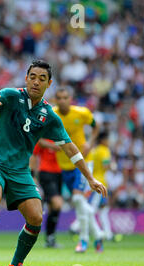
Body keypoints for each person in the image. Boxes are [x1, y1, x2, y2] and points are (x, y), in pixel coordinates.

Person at [0, 60, 107, 266]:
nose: (36, 81)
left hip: (20, 171)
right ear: (26, 78)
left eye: (42, 79)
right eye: (32, 76)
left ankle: (15, 265)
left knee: (35, 217)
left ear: (49, 83)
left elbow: (70, 147)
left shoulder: (49, 115)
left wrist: (89, 178)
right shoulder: (12, 96)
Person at [53, 87, 105, 253]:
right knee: (81, 203)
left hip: (83, 163)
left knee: (77, 200)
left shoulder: (82, 113)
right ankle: (98, 234)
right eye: (59, 98)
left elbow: (96, 126)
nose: (62, 101)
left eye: (65, 97)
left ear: (70, 99)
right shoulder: (52, 114)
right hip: (64, 166)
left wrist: (90, 142)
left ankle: (83, 240)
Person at [32, 138, 64, 248]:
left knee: (53, 207)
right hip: (45, 172)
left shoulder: (60, 133)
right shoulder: (42, 136)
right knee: (57, 203)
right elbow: (34, 154)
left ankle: (50, 238)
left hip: (59, 173)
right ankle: (49, 237)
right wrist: (32, 175)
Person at [89, 131, 114, 242]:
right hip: (101, 183)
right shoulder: (105, 150)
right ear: (103, 140)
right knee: (93, 209)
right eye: (108, 139)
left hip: (93, 181)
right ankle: (76, 228)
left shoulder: (95, 150)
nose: (109, 142)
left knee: (103, 209)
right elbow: (105, 166)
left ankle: (108, 234)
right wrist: (112, 166)